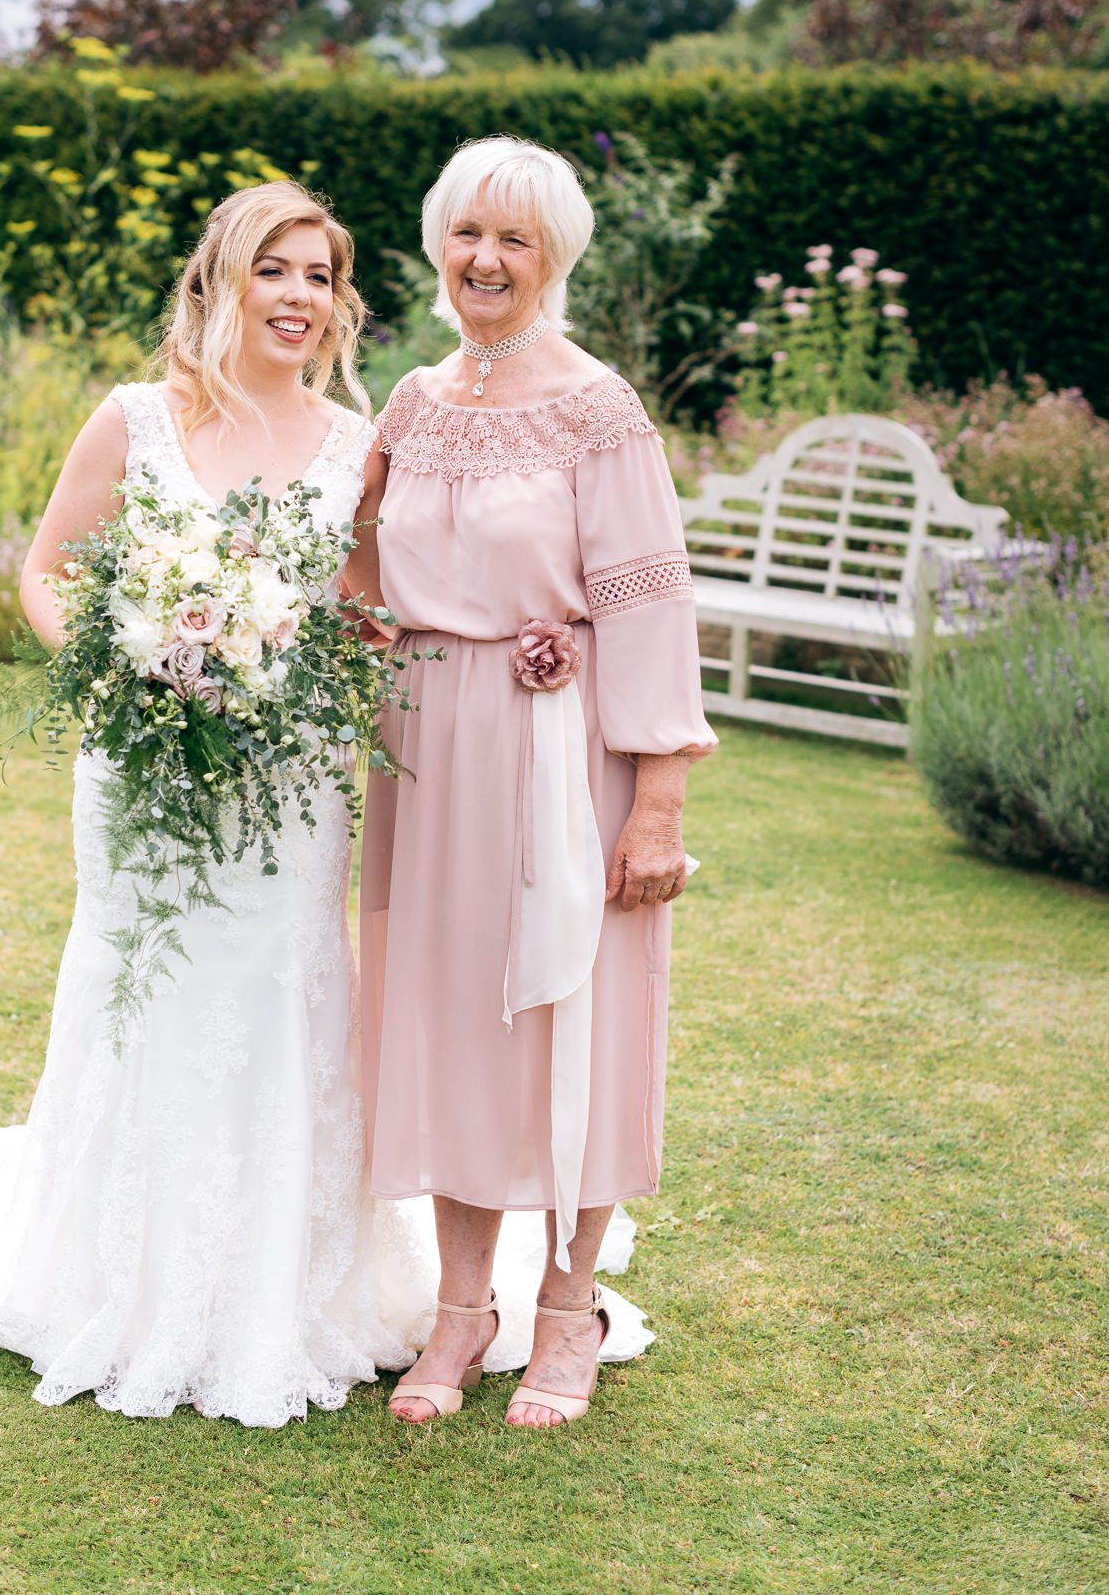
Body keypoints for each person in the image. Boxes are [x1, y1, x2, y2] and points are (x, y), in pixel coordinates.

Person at [0, 181, 414, 1429]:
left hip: (289, 778)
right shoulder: (135, 418)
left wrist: (308, 659)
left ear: (339, 304)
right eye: (274, 269)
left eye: (321, 277)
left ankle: (278, 1282)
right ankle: (116, 1276)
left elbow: (374, 604)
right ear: (217, 279)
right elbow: (46, 568)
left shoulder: (355, 442)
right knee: (140, 978)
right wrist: (129, 657)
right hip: (142, 764)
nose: (299, 297)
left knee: (282, 987)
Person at [352, 136, 717, 1428]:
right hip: (428, 760)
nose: (484, 261)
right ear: (436, 246)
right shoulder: (407, 400)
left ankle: (569, 1308)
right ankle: (462, 1312)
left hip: (563, 755)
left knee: (578, 1023)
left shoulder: (597, 408)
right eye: (465, 234)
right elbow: (359, 565)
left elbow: (646, 602)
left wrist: (658, 802)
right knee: (450, 1019)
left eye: (513, 240)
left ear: (552, 256)